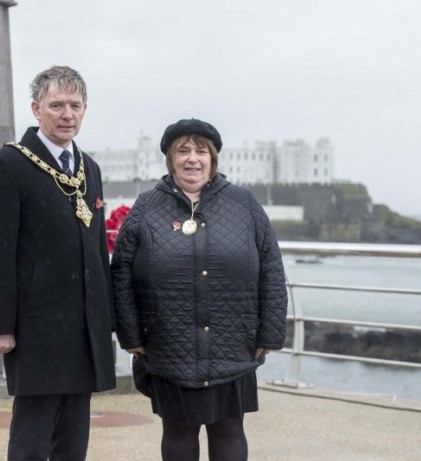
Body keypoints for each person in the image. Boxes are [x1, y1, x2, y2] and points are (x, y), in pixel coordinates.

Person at [111, 118, 288, 461]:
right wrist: (131, 335)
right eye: (183, 150)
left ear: (213, 158)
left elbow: (271, 268)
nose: (193, 158)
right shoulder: (146, 207)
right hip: (168, 342)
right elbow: (121, 273)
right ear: (170, 159)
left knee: (229, 429)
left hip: (233, 341)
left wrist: (270, 332)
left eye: (201, 151)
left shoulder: (245, 204)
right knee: (177, 430)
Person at [0, 65, 116, 460]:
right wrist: (1, 325)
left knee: (74, 438)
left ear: (85, 109)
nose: (67, 114)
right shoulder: (7, 165)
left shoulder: (90, 168)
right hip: (37, 323)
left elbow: (97, 249)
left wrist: (108, 320)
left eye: (75, 105)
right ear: (36, 109)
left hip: (85, 324)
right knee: (33, 439)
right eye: (57, 105)